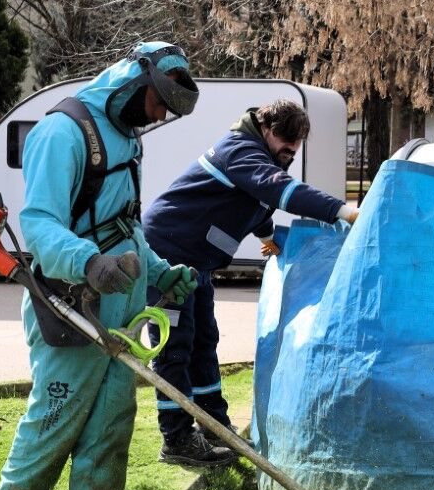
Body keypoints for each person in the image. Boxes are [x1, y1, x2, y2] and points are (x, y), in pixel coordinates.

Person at [0, 43, 202, 490]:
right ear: (133, 81)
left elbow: (126, 224)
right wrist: (88, 262)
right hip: (68, 302)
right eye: (157, 103)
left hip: (118, 308)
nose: (157, 117)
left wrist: (156, 272)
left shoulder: (126, 137)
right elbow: (39, 222)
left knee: (110, 420)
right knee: (58, 413)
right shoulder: (64, 132)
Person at [141, 99, 357, 466]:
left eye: (296, 145)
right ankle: (175, 439)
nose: (289, 151)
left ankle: (215, 427)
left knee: (204, 340)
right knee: (175, 346)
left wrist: (267, 236)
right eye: (285, 141)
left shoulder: (261, 155)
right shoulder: (240, 150)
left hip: (196, 261)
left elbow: (256, 202)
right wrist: (344, 210)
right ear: (266, 128)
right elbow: (277, 190)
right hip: (168, 253)